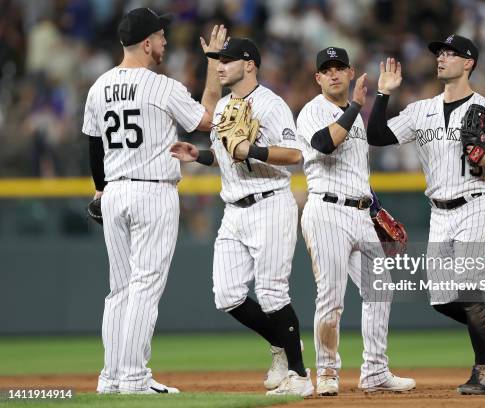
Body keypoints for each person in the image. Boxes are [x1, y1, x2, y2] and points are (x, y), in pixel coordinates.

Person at [367, 34, 485, 395]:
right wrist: (383, 93)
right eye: (439, 52)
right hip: (439, 212)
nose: (442, 57)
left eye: (451, 53)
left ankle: (483, 373)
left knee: (469, 290)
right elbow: (376, 135)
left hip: (476, 203)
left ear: (469, 63)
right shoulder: (421, 110)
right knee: (442, 299)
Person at [82, 8, 225, 394]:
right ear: (147, 43)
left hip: (113, 191)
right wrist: (213, 61)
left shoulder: (99, 86)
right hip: (152, 190)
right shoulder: (160, 87)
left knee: (120, 289)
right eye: (161, 36)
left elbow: (95, 147)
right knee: (145, 287)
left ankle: (110, 378)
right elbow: (207, 119)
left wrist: (100, 189)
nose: (165, 42)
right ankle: (133, 377)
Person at [169, 38, 313, 397]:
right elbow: (226, 155)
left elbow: (295, 153)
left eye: (229, 60)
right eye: (219, 59)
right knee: (227, 295)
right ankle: (281, 343)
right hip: (233, 209)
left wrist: (255, 149)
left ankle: (299, 375)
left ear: (250, 64)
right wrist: (199, 155)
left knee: (271, 292)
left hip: (270, 202)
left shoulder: (271, 103)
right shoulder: (222, 108)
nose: (221, 65)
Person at [296, 46, 416, 396]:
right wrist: (356, 107)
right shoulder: (312, 111)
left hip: (360, 212)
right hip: (326, 212)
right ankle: (328, 372)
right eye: (326, 69)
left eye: (339, 67)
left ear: (350, 74)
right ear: (318, 78)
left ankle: (375, 371)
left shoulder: (356, 117)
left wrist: (382, 96)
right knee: (331, 296)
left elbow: (357, 171)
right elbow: (324, 144)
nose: (333, 73)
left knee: (380, 290)